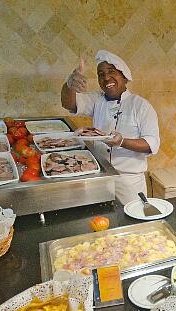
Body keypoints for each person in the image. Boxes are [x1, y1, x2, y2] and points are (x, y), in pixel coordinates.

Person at [61, 50, 160, 205]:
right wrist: (69, 85)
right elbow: (69, 103)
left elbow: (151, 144)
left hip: (129, 182)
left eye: (111, 72)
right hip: (100, 176)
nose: (106, 77)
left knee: (130, 225)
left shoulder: (140, 106)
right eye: (101, 74)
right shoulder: (97, 100)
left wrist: (122, 142)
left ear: (124, 77)